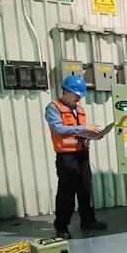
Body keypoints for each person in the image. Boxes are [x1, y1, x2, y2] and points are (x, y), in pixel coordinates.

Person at [45, 76, 107, 238]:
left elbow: (80, 132)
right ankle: (62, 227)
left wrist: (93, 135)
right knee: (67, 192)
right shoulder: (54, 108)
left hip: (82, 154)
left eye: (80, 95)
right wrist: (84, 128)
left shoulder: (79, 110)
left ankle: (88, 220)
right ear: (66, 91)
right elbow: (58, 129)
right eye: (76, 94)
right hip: (66, 156)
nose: (79, 98)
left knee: (85, 189)